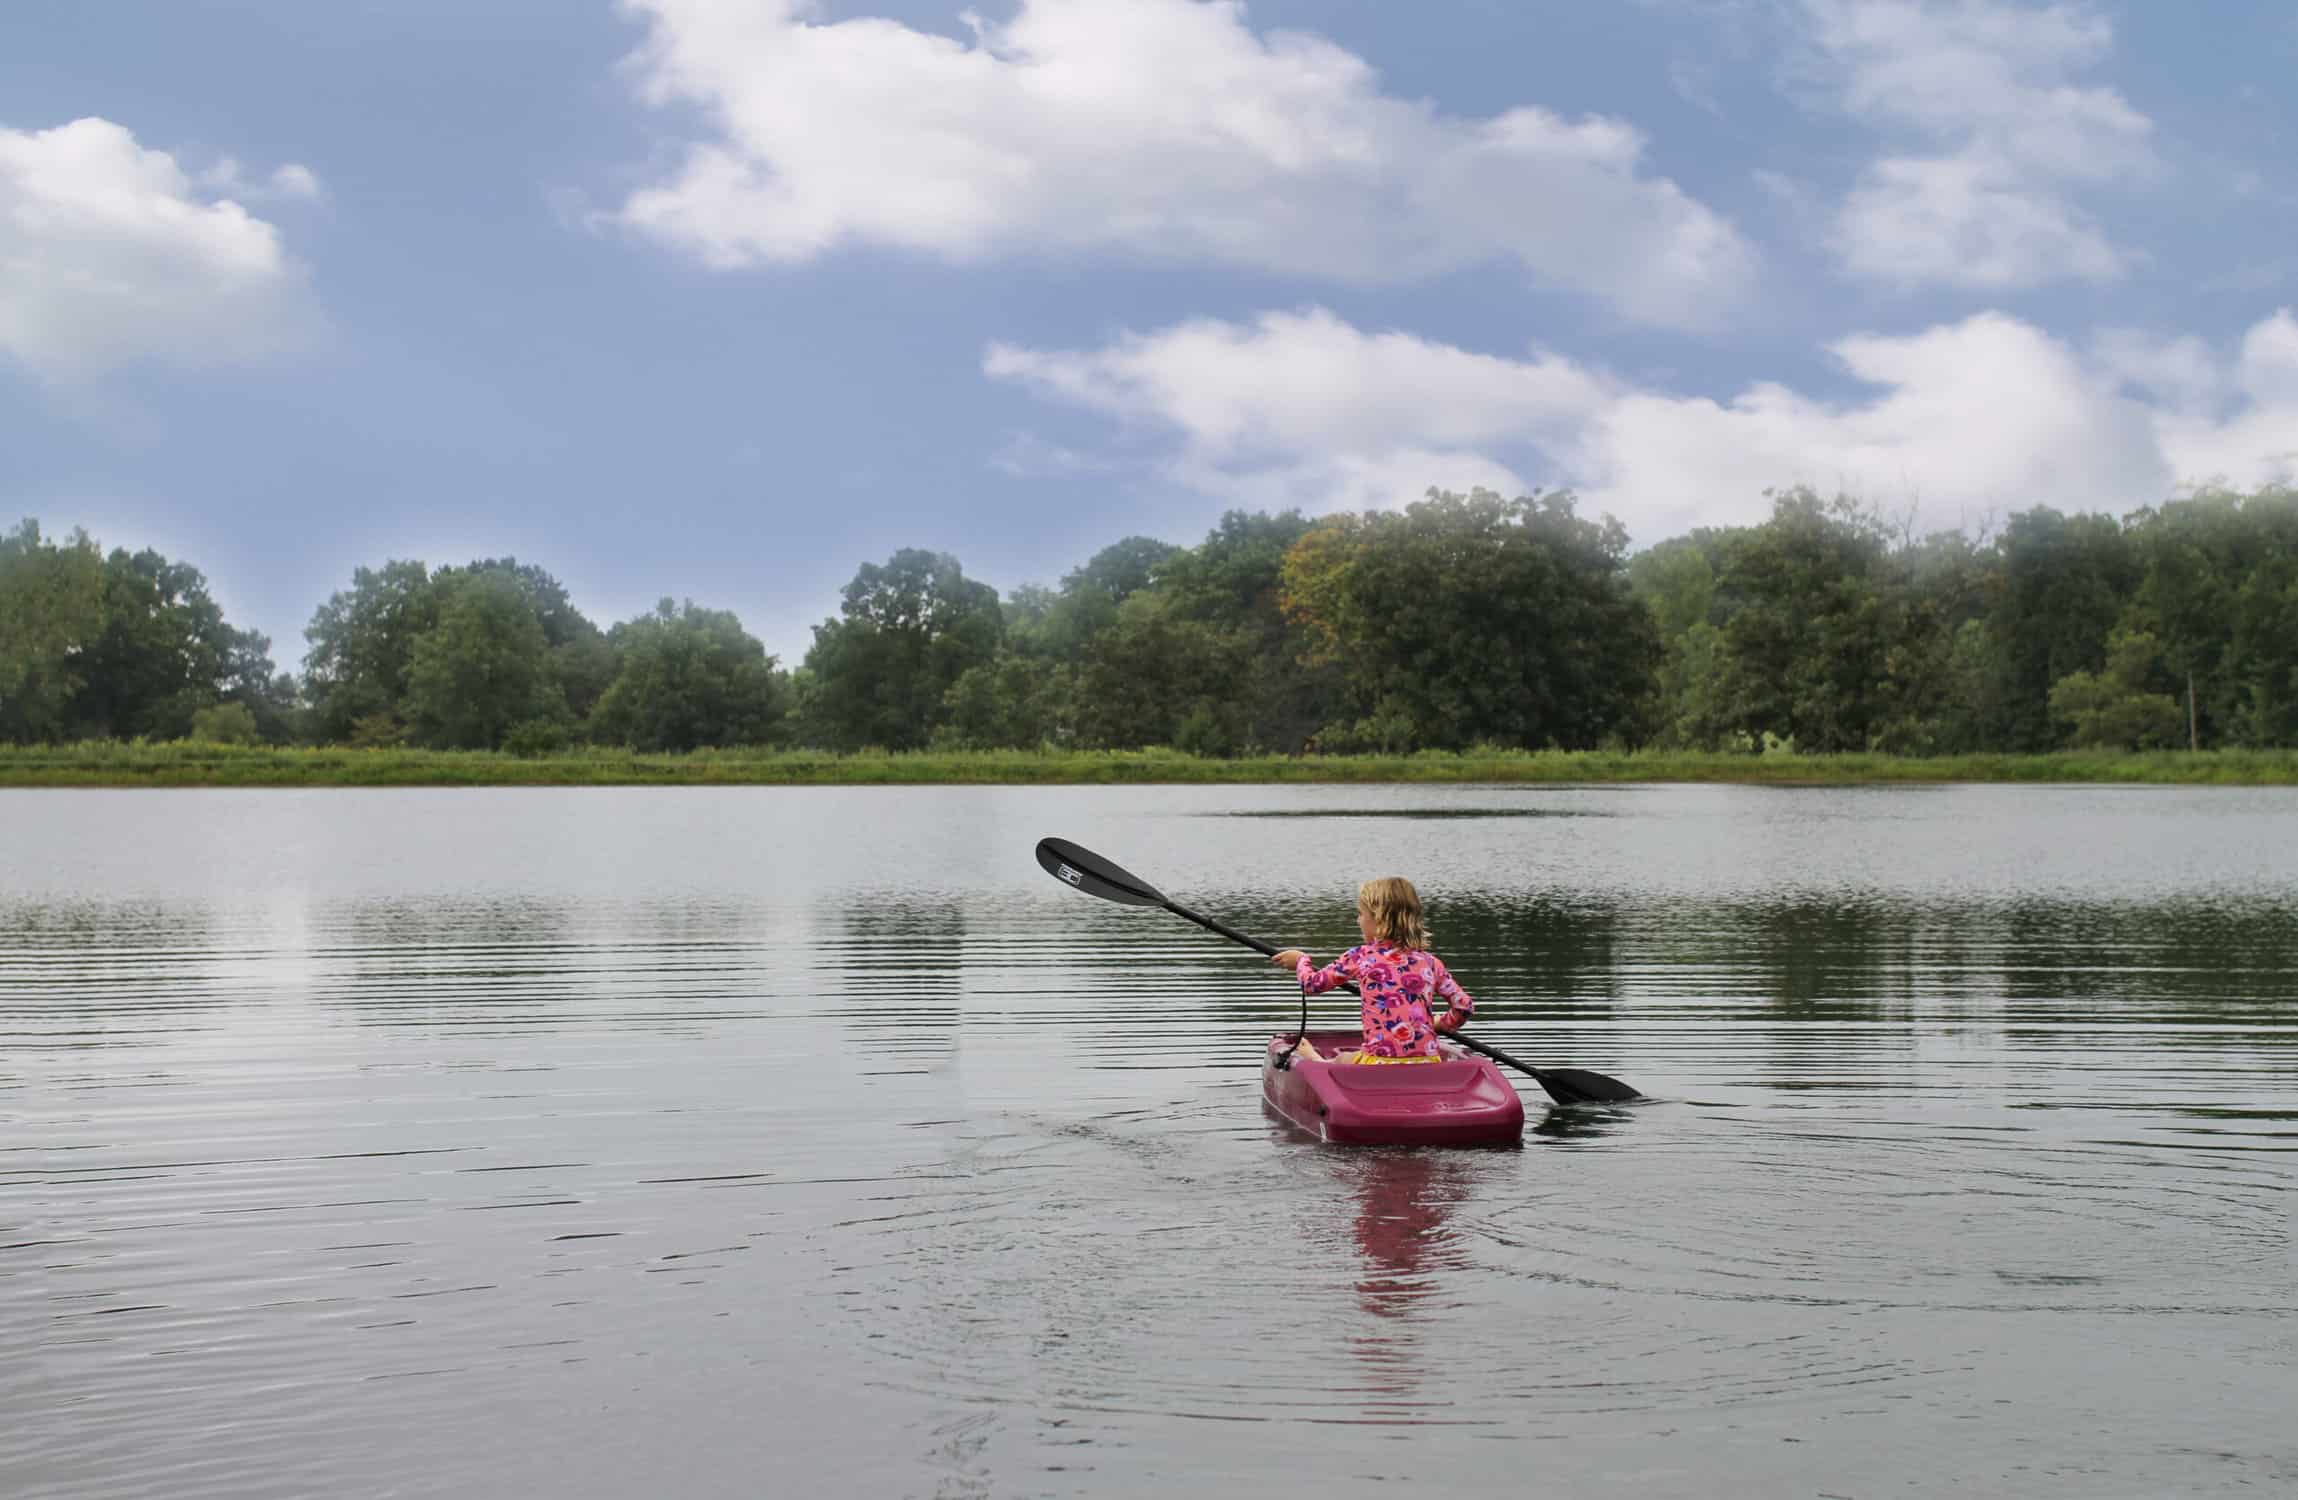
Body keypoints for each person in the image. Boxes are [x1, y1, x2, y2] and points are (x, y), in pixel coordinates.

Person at [1272, 876, 1474, 1064]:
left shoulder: (1361, 957)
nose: (1357, 921)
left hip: (1377, 1064)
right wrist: (1438, 1025)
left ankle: (1317, 1061)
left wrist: (1300, 960)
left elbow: (1311, 984)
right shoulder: (1431, 963)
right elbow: (1464, 1006)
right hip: (1428, 1063)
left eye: (1360, 914)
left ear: (1378, 919)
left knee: (1344, 1059)